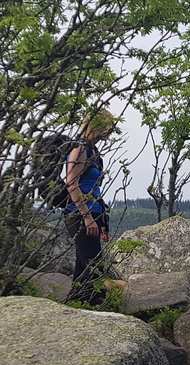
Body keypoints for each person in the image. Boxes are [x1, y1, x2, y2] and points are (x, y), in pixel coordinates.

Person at [64, 109, 116, 303]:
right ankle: (94, 308)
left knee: (83, 268)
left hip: (91, 215)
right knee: (94, 269)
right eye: (108, 128)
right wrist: (86, 217)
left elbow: (93, 190)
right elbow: (71, 183)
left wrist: (101, 221)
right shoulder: (80, 149)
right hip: (78, 215)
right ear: (98, 127)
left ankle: (74, 306)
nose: (109, 133)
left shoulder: (92, 150)